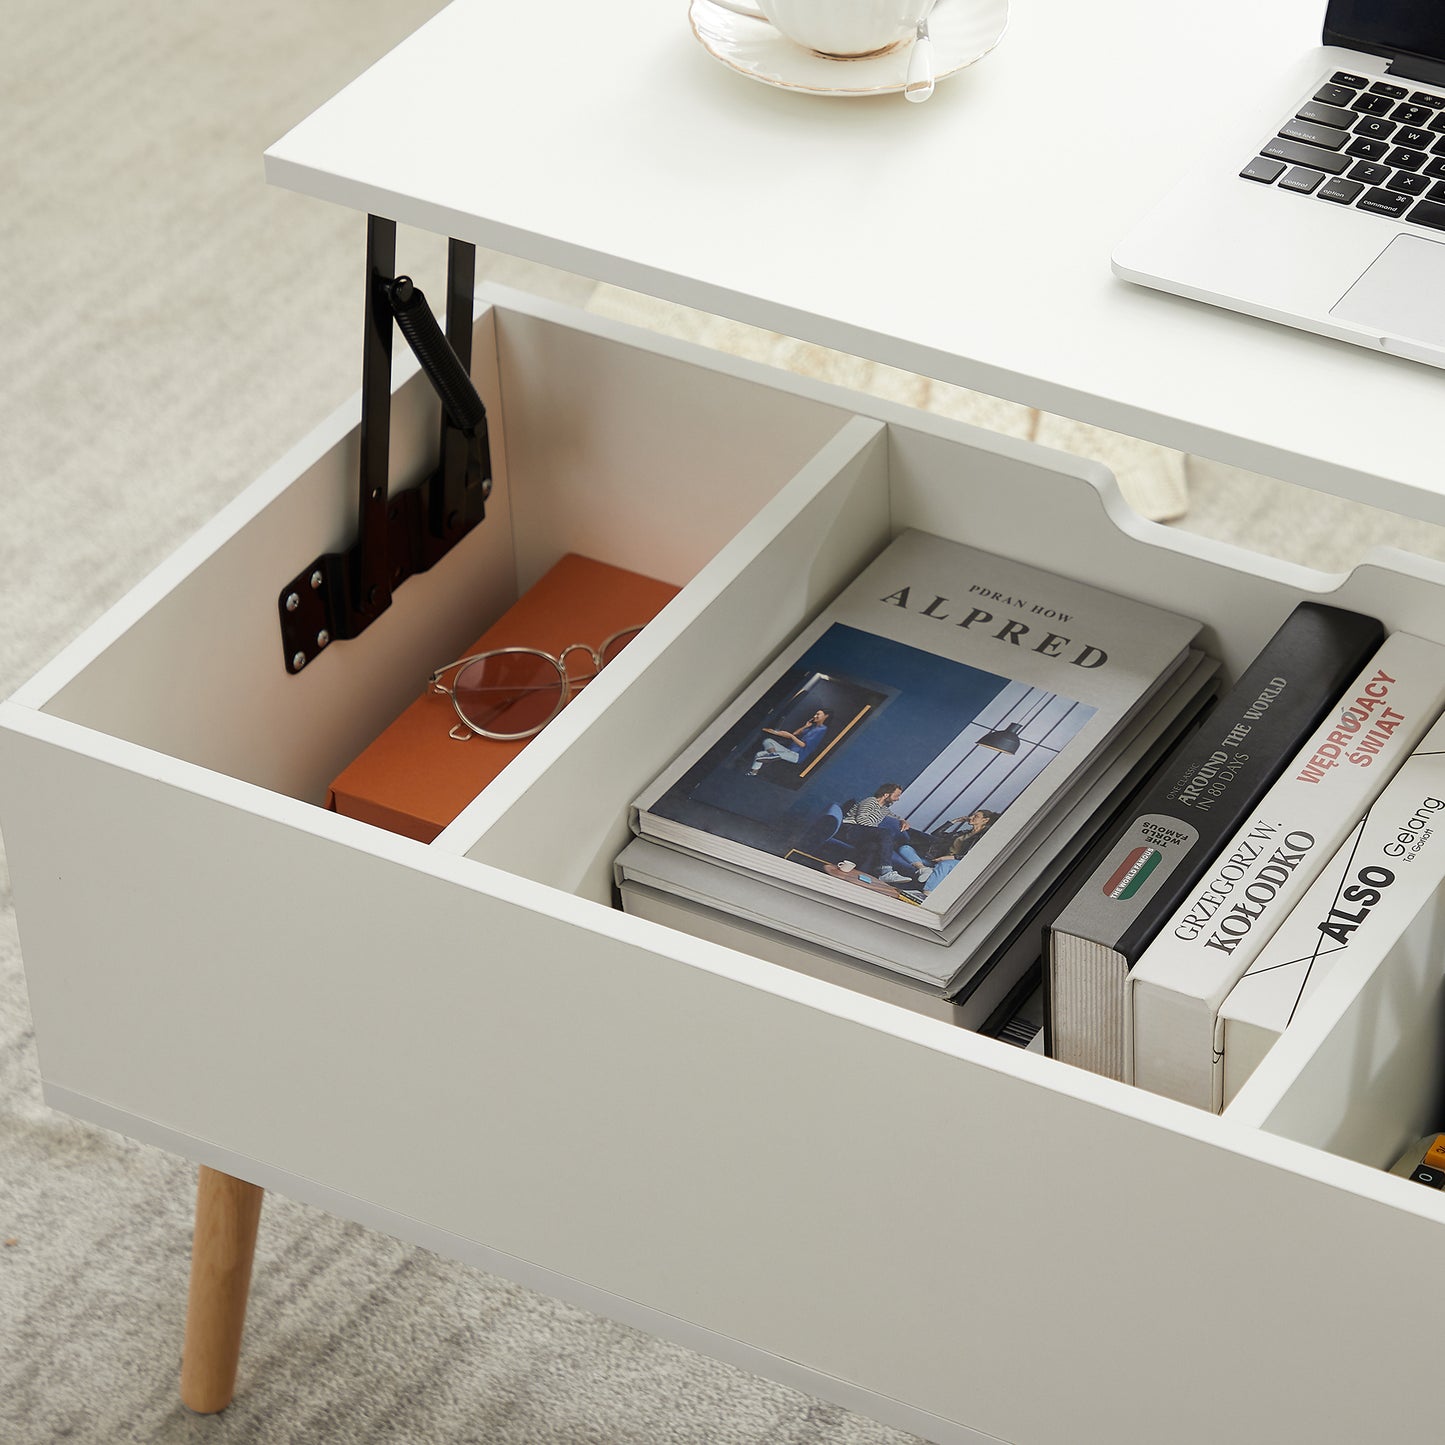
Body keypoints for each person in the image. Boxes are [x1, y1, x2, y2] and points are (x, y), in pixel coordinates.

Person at [748, 708, 830, 774]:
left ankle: (774, 755)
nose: (815, 716)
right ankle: (754, 772)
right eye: (815, 714)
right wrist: (805, 726)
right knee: (766, 743)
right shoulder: (812, 727)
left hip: (797, 755)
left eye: (818, 714)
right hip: (789, 750)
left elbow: (803, 745)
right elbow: (795, 733)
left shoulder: (822, 729)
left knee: (762, 754)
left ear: (825, 716)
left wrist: (791, 736)